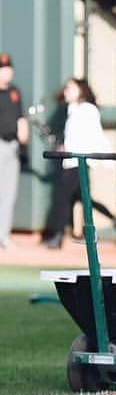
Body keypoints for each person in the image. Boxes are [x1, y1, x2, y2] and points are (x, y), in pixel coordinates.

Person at [41, 79, 116, 249]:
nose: (67, 91)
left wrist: (105, 162)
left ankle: (57, 237)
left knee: (63, 199)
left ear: (81, 90)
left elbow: (96, 135)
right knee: (83, 198)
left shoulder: (88, 110)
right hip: (71, 160)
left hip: (78, 162)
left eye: (71, 88)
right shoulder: (72, 110)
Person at [0, 52, 28, 250]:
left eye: (8, 69)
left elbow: (21, 117)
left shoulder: (14, 92)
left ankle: (3, 234)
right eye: (3, 69)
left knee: (9, 193)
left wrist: (23, 133)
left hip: (12, 145)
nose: (6, 72)